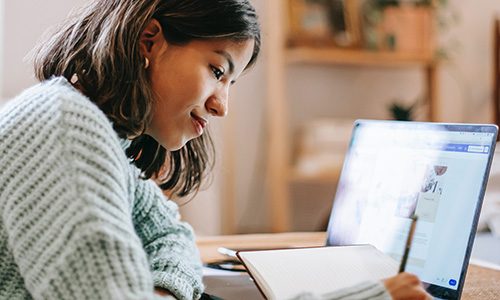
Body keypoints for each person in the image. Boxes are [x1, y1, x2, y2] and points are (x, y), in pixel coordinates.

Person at [0, 0, 432, 299]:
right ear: (149, 42)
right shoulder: (62, 126)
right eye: (216, 70)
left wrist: (161, 290)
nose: (221, 105)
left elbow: (172, 238)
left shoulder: (102, 141)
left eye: (231, 83)